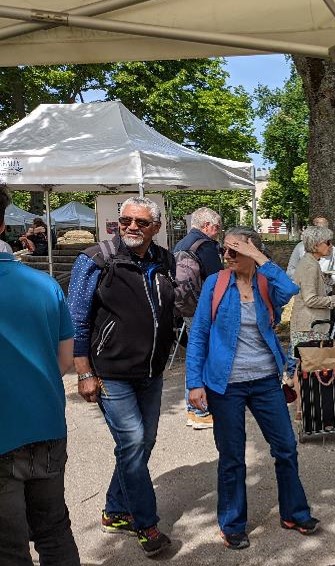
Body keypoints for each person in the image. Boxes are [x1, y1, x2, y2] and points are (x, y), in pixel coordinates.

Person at [187, 227, 319, 551]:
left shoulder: (265, 283)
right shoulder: (215, 283)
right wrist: (194, 383)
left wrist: (259, 257)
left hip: (264, 381)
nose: (227, 255)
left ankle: (294, 513)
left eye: (235, 250)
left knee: (285, 447)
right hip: (225, 384)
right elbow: (199, 333)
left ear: (252, 252)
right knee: (232, 456)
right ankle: (232, 524)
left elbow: (290, 288)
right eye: (225, 249)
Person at [67, 196, 176, 557]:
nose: (131, 227)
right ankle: (146, 524)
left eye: (141, 222)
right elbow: (76, 320)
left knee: (143, 444)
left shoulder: (165, 260)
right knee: (131, 443)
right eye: (125, 220)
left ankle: (115, 510)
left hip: (152, 371)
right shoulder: (96, 259)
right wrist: (84, 372)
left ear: (155, 228)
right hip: (111, 373)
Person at [0, 186, 81, 566]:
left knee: (8, 548)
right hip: (45, 426)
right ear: (4, 225)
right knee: (53, 532)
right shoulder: (45, 285)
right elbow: (63, 361)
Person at [173, 207, 223, 430]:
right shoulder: (205, 246)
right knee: (204, 356)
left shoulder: (180, 245)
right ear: (207, 226)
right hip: (205, 310)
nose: (218, 232)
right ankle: (200, 411)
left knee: (196, 354)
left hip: (186, 309)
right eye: (217, 227)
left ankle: (195, 410)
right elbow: (218, 280)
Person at [291, 225, 335, 345]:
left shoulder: (311, 263)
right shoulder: (309, 266)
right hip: (309, 328)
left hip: (311, 326)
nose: (331, 246)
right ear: (316, 245)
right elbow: (310, 300)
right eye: (328, 242)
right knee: (312, 358)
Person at [287, 216, 335, 291]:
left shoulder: (332, 249)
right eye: (318, 227)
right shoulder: (300, 248)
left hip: (325, 290)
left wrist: (328, 279)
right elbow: (290, 271)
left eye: (324, 228)